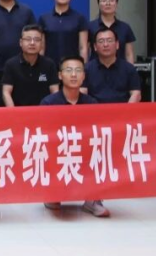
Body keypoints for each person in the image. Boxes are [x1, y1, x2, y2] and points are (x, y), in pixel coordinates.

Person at [40, 55, 109, 217]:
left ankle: (93, 199)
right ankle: (53, 193)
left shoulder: (91, 103)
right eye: (68, 70)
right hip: (59, 150)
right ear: (60, 75)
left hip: (85, 149)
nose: (73, 75)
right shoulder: (48, 103)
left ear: (84, 76)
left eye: (78, 71)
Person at [2, 25, 59, 107]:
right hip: (18, 111)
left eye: (37, 40)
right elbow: (6, 92)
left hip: (44, 111)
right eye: (28, 39)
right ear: (21, 42)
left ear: (42, 43)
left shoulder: (49, 64)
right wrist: (13, 112)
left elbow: (55, 93)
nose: (32, 43)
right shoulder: (11, 64)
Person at [38, 0, 88, 65]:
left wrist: (82, 67)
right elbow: (41, 47)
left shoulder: (80, 18)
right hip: (49, 66)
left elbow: (83, 47)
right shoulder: (44, 18)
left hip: (72, 67)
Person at [83, 27, 141, 104]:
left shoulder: (129, 69)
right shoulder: (86, 69)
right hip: (94, 110)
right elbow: (82, 94)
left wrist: (126, 110)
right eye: (101, 41)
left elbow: (136, 94)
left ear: (117, 45)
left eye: (109, 40)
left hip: (122, 110)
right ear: (95, 47)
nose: (105, 44)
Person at [88, 0, 137, 64]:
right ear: (98, 4)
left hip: (120, 69)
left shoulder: (125, 27)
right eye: (104, 1)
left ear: (116, 4)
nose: (108, 3)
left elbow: (129, 54)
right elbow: (85, 50)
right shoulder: (90, 27)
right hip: (95, 69)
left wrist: (130, 69)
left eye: (111, 0)